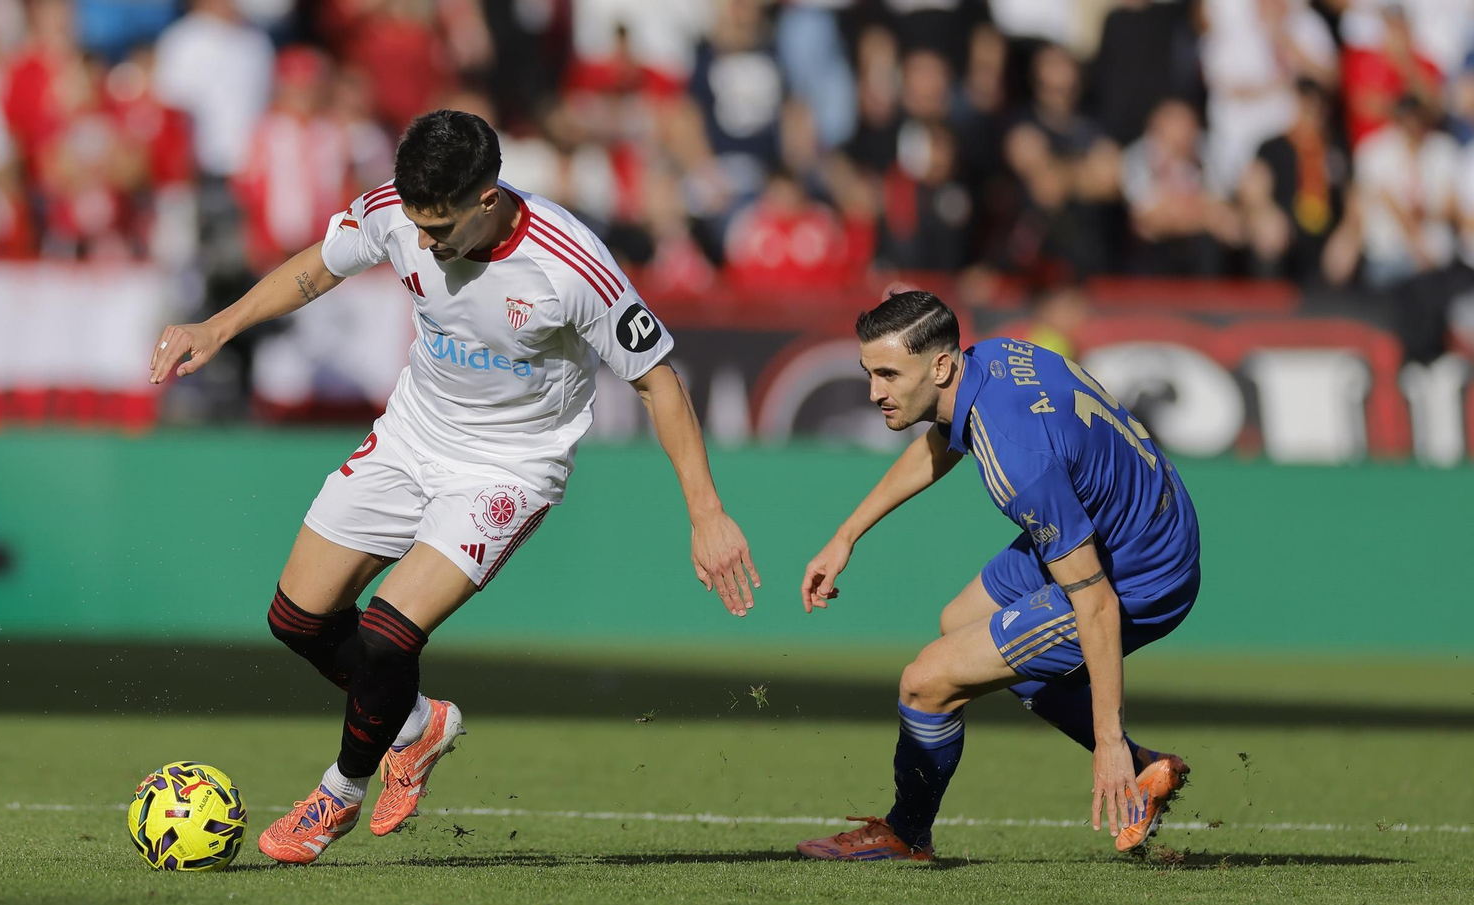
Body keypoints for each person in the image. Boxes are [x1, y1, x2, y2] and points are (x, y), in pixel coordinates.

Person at [148, 110, 761, 865]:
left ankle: (337, 793)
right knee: (297, 620)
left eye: (442, 229)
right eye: (417, 226)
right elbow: (317, 268)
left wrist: (707, 512)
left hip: (509, 466)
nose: (428, 246)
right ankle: (415, 723)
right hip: (411, 436)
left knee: (383, 636)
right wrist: (218, 325)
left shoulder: (570, 265)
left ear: (488, 197)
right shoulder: (395, 214)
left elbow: (658, 383)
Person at [795, 290, 1200, 861]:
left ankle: (906, 834)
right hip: (1135, 523)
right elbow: (939, 442)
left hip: (1140, 572)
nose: (874, 392)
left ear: (938, 366)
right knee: (959, 622)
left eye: (888, 374)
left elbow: (1097, 603)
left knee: (926, 682)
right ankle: (1144, 768)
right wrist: (846, 536)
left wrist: (1105, 742)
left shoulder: (1016, 457)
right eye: (869, 372)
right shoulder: (991, 359)